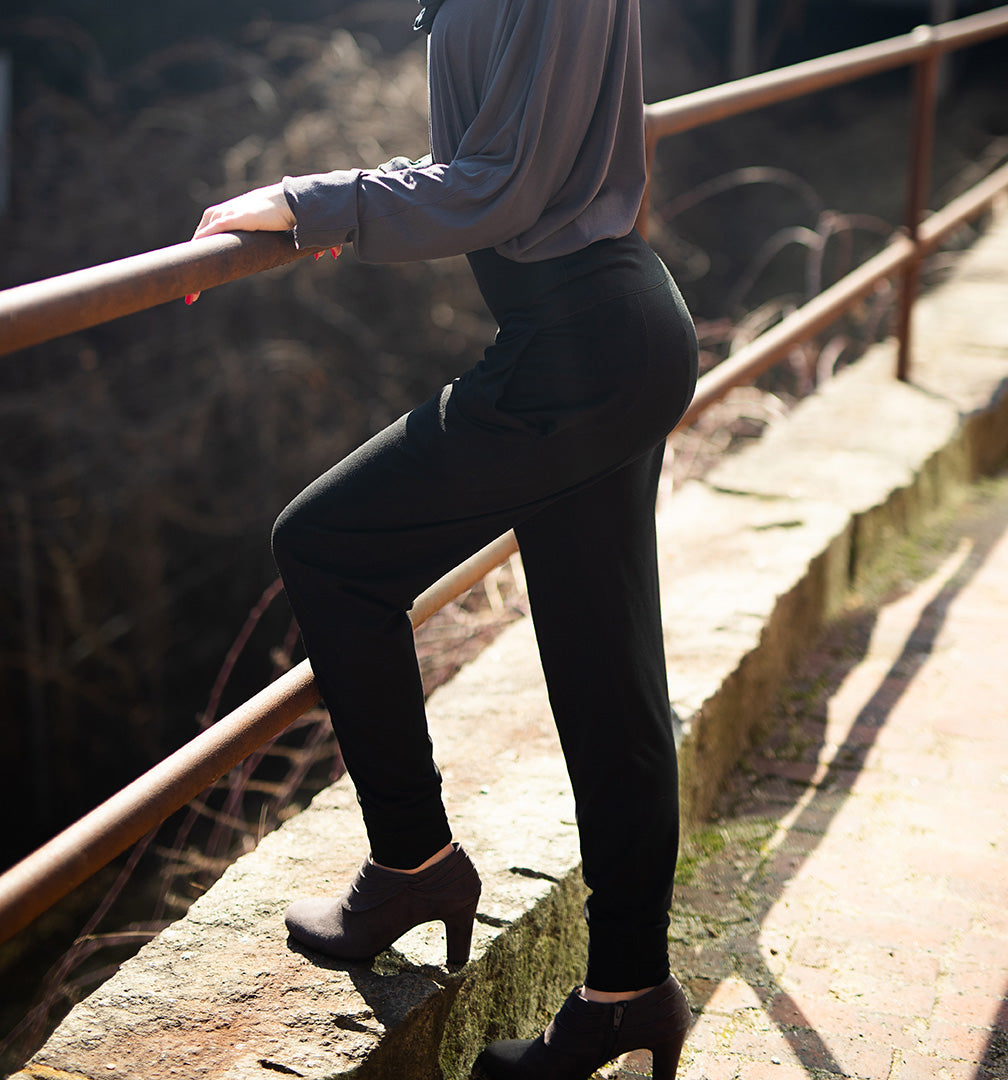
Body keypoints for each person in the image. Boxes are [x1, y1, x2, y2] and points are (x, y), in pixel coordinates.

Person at [191, 0, 698, 1075]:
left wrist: (304, 200)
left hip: (585, 345)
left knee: (329, 546)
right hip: (591, 342)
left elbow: (499, 185)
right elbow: (492, 160)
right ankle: (627, 994)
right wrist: (335, 200)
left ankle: (415, 862)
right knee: (608, 676)